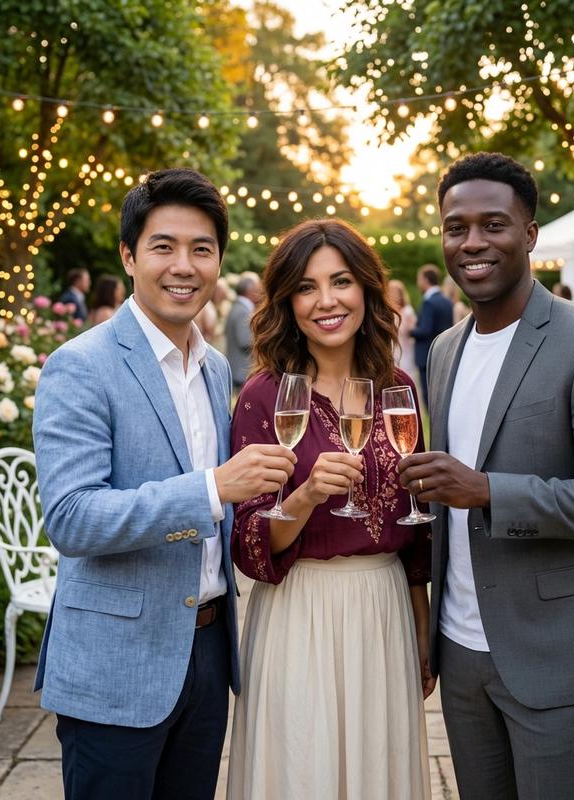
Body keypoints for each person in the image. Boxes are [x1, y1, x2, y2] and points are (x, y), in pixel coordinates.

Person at [32, 167, 296, 800]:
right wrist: (210, 490)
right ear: (129, 256)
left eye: (201, 249)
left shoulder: (210, 368)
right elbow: (71, 517)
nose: (184, 265)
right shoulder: (80, 366)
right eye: (163, 246)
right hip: (115, 665)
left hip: (207, 655)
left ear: (219, 262)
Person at [397, 152, 574, 800]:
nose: (473, 242)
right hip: (458, 652)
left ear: (530, 233)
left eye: (494, 224)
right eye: (457, 227)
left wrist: (488, 490)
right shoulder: (446, 349)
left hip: (553, 655)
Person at [226, 218, 434, 800]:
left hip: (384, 609)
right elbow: (249, 542)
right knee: (303, 772)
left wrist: (422, 627)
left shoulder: (397, 390)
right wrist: (307, 495)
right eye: (306, 287)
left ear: (367, 290)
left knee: (379, 771)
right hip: (300, 614)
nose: (326, 301)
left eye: (340, 282)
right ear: (288, 302)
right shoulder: (266, 396)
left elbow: (416, 529)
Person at [411, 263, 453, 408]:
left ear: (425, 280)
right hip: (444, 353)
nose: (418, 283)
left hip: (426, 355)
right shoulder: (447, 301)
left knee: (428, 398)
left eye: (419, 279)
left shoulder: (429, 302)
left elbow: (424, 330)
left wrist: (409, 330)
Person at [225, 272, 262, 392]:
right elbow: (245, 341)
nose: (260, 292)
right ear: (250, 290)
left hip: (237, 368)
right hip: (242, 370)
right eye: (258, 288)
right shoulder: (243, 311)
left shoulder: (237, 307)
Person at [388, 277, 418, 375]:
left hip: (405, 347)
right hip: (391, 348)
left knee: (405, 372)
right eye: (390, 291)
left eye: (395, 292)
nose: (393, 294)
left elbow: (412, 331)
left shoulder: (408, 311)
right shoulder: (387, 311)